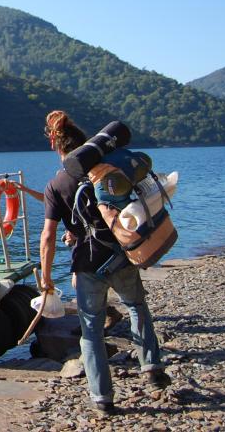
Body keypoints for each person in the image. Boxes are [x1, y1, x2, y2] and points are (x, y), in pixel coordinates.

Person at [38, 110, 170, 415]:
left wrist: (46, 280)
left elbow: (47, 236)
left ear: (56, 147)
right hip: (120, 254)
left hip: (86, 264)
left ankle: (102, 398)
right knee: (136, 307)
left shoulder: (56, 185)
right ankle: (151, 366)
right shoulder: (107, 169)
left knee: (92, 331)